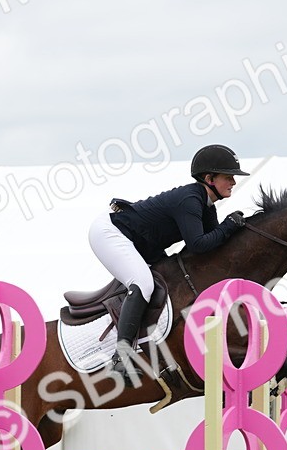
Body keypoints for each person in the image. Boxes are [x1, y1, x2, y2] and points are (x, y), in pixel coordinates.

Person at [88, 144, 250, 378]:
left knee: (169, 281)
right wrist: (228, 226)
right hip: (111, 233)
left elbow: (213, 247)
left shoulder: (206, 206)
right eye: (228, 176)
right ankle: (121, 357)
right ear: (209, 179)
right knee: (143, 283)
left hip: (143, 243)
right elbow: (198, 245)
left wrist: (237, 230)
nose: (233, 182)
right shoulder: (190, 200)